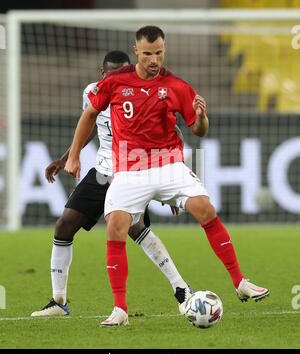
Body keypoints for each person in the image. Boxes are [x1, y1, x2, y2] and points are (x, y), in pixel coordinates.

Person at [65, 27, 269, 327]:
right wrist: (72, 155)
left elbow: (198, 130)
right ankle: (120, 309)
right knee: (116, 226)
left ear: (164, 49)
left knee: (205, 208)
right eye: (147, 53)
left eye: (159, 52)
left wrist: (200, 118)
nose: (154, 59)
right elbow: (89, 115)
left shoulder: (176, 85)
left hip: (168, 164)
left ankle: (240, 281)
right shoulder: (115, 82)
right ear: (136, 51)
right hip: (131, 170)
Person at [31, 50, 193, 317]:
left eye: (123, 71)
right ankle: (59, 301)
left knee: (136, 229)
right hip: (103, 171)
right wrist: (64, 159)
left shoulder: (143, 91)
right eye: (113, 73)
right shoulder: (92, 92)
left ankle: (181, 288)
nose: (119, 77)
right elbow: (91, 124)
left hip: (133, 172)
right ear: (102, 73)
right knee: (64, 226)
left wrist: (173, 179)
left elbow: (171, 134)